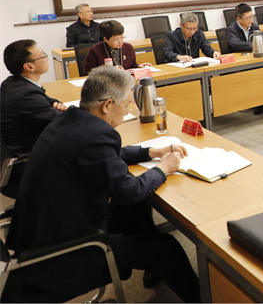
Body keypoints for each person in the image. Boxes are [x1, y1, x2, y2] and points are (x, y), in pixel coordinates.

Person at [5, 66, 200, 303]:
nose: (127, 111)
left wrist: (151, 151)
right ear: (107, 105)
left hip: (40, 233)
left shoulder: (71, 119)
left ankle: (148, 258)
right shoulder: (96, 135)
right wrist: (164, 168)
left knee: (134, 210)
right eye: (126, 105)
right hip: (62, 254)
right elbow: (130, 191)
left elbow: (105, 154)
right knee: (167, 246)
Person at [1, 40, 67, 197]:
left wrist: (53, 103)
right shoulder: (26, 95)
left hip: (20, 150)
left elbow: (44, 98)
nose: (46, 57)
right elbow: (65, 121)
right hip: (28, 164)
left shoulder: (12, 83)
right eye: (42, 55)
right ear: (29, 66)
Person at [84, 20, 151, 74]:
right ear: (105, 39)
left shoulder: (128, 47)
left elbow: (132, 66)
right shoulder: (95, 51)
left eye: (122, 37)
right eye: (116, 39)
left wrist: (139, 66)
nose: (120, 42)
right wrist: (109, 71)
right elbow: (89, 73)